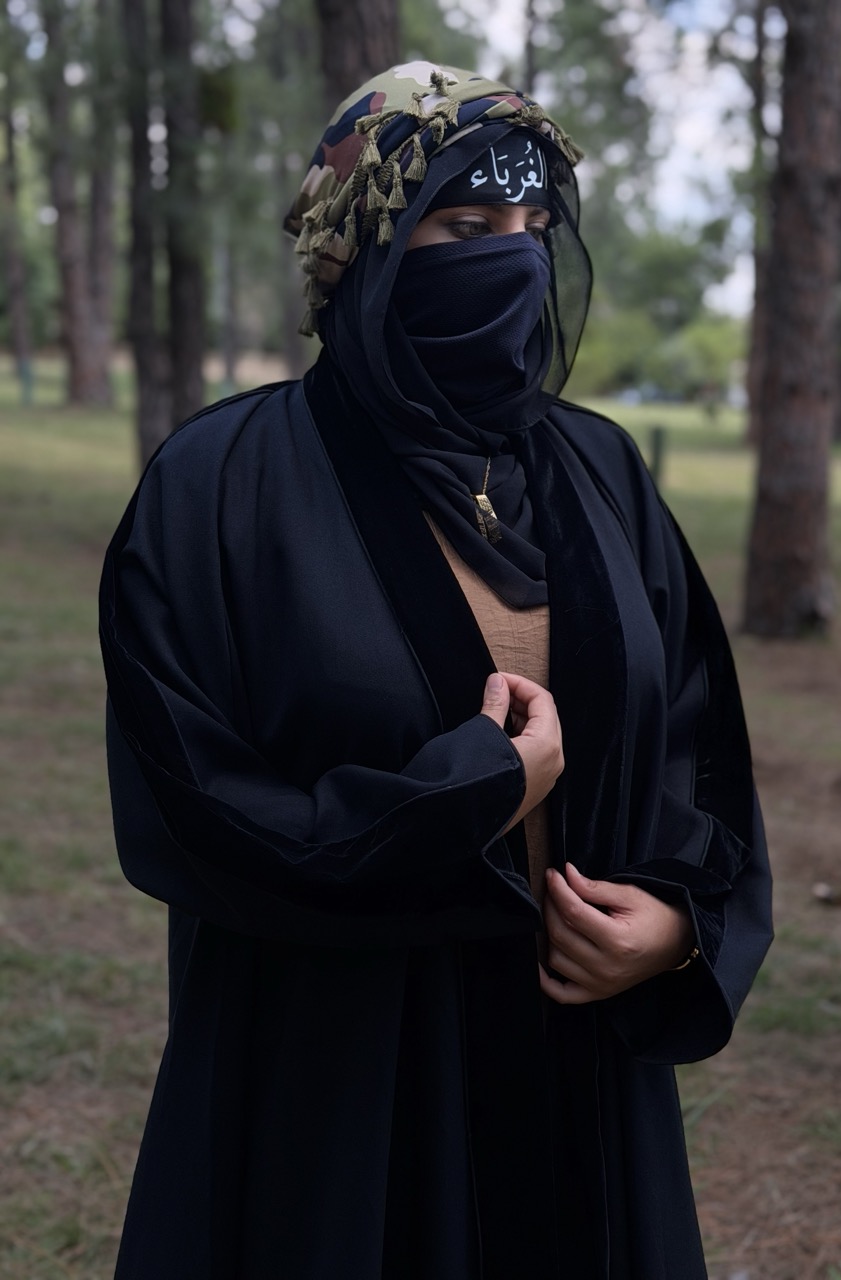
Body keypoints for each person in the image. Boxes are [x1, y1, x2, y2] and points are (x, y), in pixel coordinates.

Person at [99, 61, 773, 1280]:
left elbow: (695, 744)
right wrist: (468, 788)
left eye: (530, 225)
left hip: (576, 1076)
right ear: (361, 245)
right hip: (337, 1081)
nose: (509, 259)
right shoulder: (218, 487)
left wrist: (679, 922)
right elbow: (193, 804)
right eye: (463, 227)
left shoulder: (600, 474)